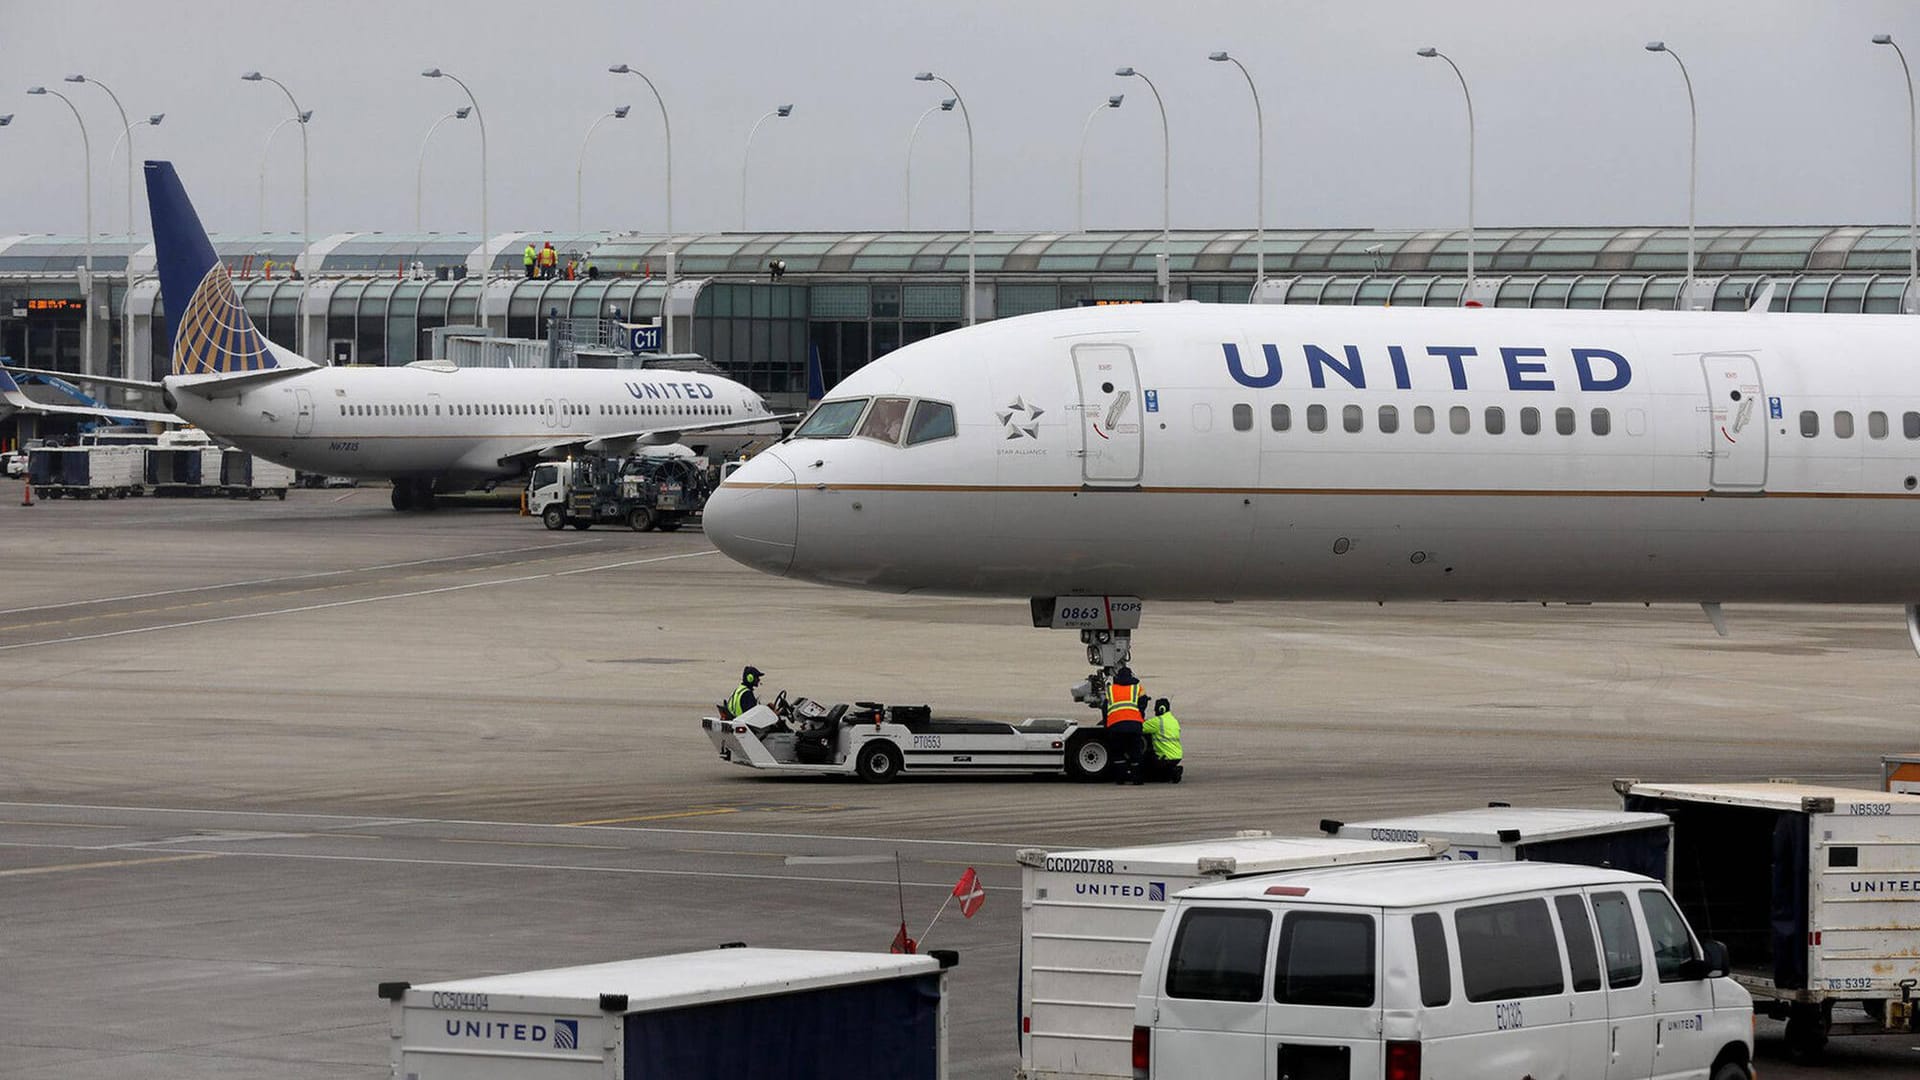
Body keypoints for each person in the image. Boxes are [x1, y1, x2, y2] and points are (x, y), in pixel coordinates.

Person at [1103, 666, 1147, 785]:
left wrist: (1106, 724)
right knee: (1135, 753)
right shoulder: (1137, 688)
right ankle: (1137, 779)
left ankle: (1120, 779)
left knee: (1118, 753)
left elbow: (1104, 708)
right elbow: (1143, 704)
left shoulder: (1111, 690)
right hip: (1134, 725)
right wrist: (1140, 718)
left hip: (1116, 725)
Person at [1142, 698, 1183, 783]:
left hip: (1164, 757)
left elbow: (1139, 728)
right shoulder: (1173, 720)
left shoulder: (1158, 721)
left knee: (1146, 773)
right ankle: (1171, 770)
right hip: (1177, 755)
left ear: (1160, 709)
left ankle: (1172, 773)